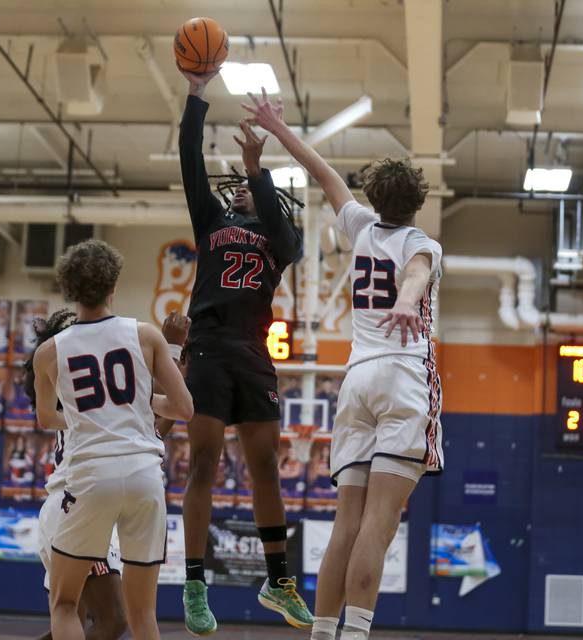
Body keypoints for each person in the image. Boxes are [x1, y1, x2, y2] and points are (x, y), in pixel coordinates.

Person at [244, 90, 443, 640]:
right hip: (402, 374)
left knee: (345, 526)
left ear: (375, 198)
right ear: (417, 202)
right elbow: (419, 271)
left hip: (355, 381)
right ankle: (354, 637)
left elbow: (321, 168)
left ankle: (322, 633)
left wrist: (277, 127)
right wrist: (406, 302)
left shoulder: (359, 227)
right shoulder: (421, 241)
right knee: (380, 527)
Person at [176, 66, 312, 634]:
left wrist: (259, 170)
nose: (240, 191)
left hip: (253, 352)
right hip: (206, 345)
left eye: (252, 189)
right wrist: (196, 94)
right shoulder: (211, 220)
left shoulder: (284, 240)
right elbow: (189, 160)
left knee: (264, 469)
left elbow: (286, 242)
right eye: (239, 186)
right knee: (204, 462)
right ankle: (193, 585)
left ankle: (278, 581)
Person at [32, 239, 192, 640]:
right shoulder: (145, 334)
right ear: (113, 286)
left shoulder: (49, 353)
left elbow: (46, 417)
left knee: (65, 604)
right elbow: (184, 409)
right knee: (143, 617)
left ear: (69, 290)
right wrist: (137, 401)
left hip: (90, 479)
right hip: (144, 477)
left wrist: (90, 413)